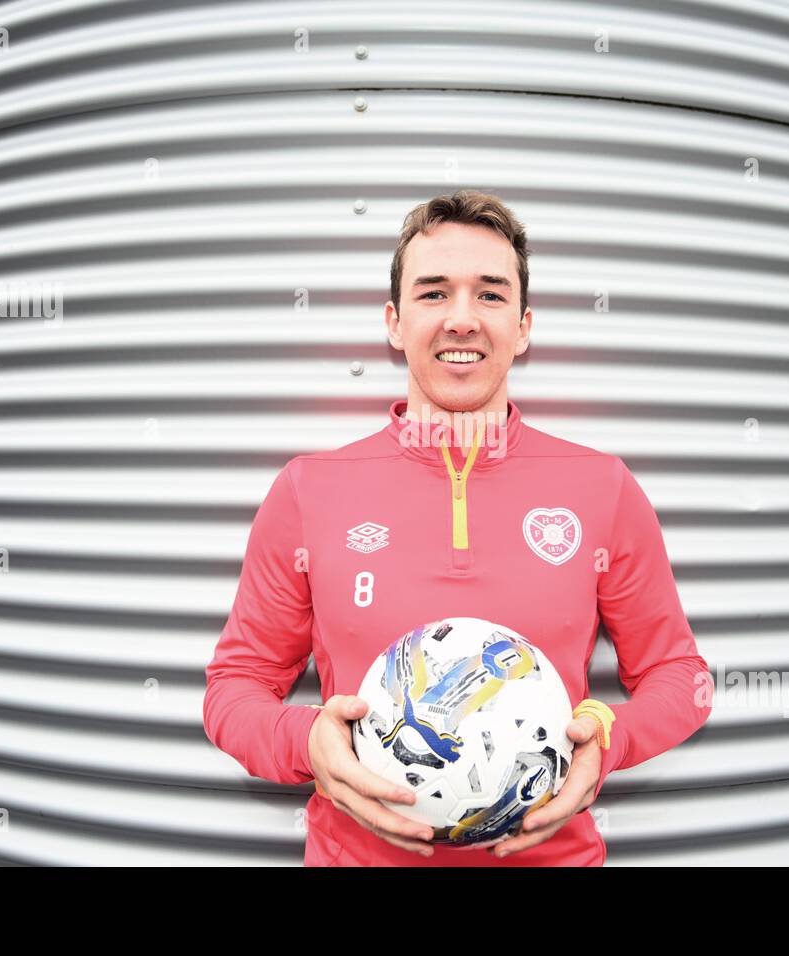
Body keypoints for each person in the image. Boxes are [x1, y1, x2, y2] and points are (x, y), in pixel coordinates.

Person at [203, 189, 713, 866]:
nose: (462, 319)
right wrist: (307, 743)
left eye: (491, 294)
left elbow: (680, 675)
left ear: (525, 326)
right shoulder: (308, 490)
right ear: (394, 321)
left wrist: (606, 739)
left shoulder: (602, 488)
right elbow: (235, 688)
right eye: (434, 293)